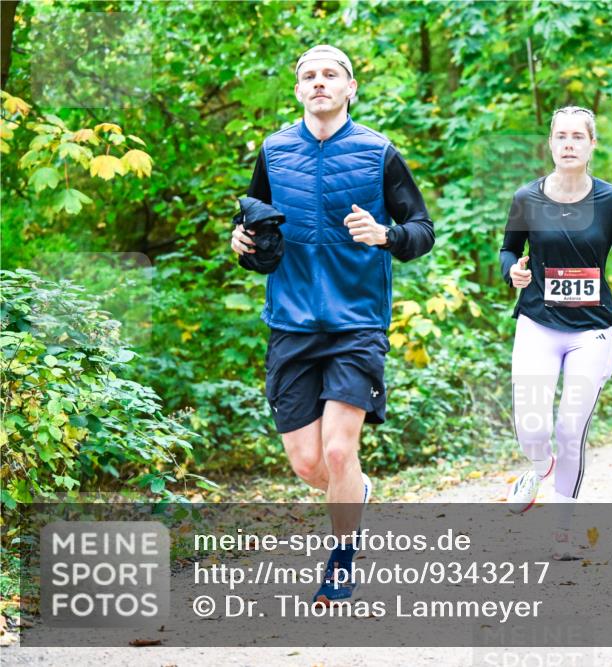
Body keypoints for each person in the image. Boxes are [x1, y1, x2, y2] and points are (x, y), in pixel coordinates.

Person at [230, 45, 434, 603]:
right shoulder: (273, 153)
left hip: (357, 321)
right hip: (292, 323)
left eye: (331, 75)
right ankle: (356, 492)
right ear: (298, 90)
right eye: (308, 76)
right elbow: (257, 235)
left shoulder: (378, 154)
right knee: (307, 463)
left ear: (350, 88)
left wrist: (386, 235)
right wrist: (242, 244)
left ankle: (341, 563)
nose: (319, 83)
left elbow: (422, 229)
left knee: (340, 451)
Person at [499, 106, 612, 559]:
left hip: (592, 331)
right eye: (560, 136)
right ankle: (539, 464)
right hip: (537, 324)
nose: (568, 144)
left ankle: (562, 530)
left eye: (577, 137)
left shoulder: (611, 199)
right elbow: (509, 252)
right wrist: (515, 273)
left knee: (570, 429)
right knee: (533, 429)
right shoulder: (527, 197)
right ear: (550, 144)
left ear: (591, 145)